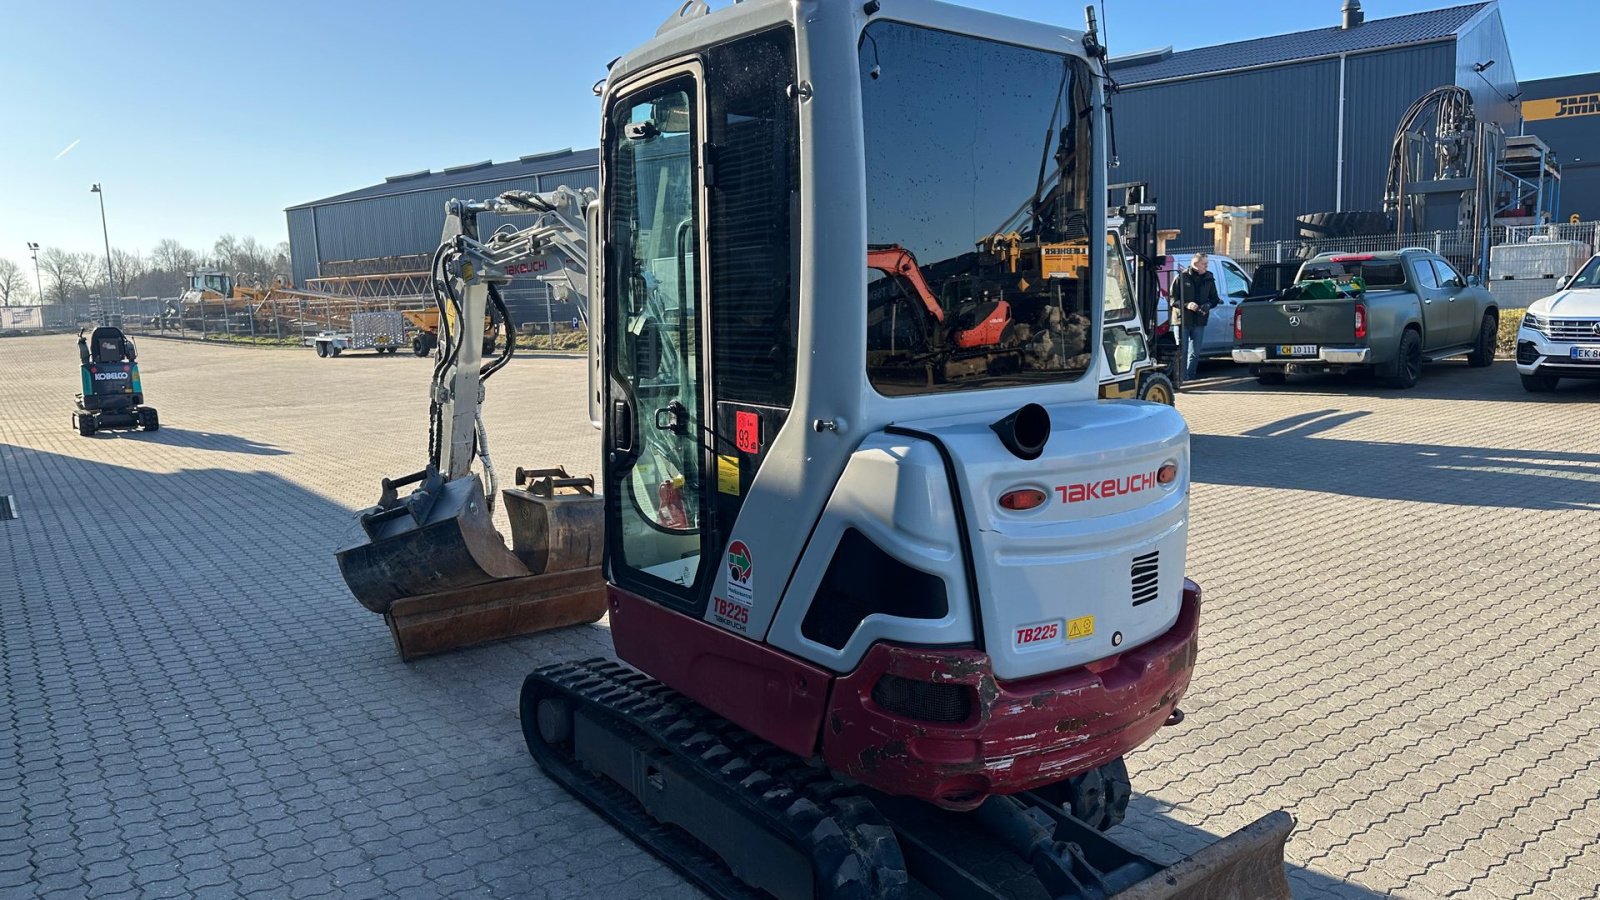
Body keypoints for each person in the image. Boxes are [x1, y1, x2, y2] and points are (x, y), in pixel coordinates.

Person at [1170, 252, 1220, 384]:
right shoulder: (1181, 277)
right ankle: (1181, 378)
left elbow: (1215, 299)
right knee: (1182, 351)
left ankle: (1189, 378)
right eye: (1204, 263)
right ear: (1196, 264)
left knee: (1195, 353)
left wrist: (1208, 305)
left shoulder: (1209, 278)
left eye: (1207, 263)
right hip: (1182, 320)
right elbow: (1172, 299)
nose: (1207, 266)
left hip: (1199, 321)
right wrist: (1187, 305)